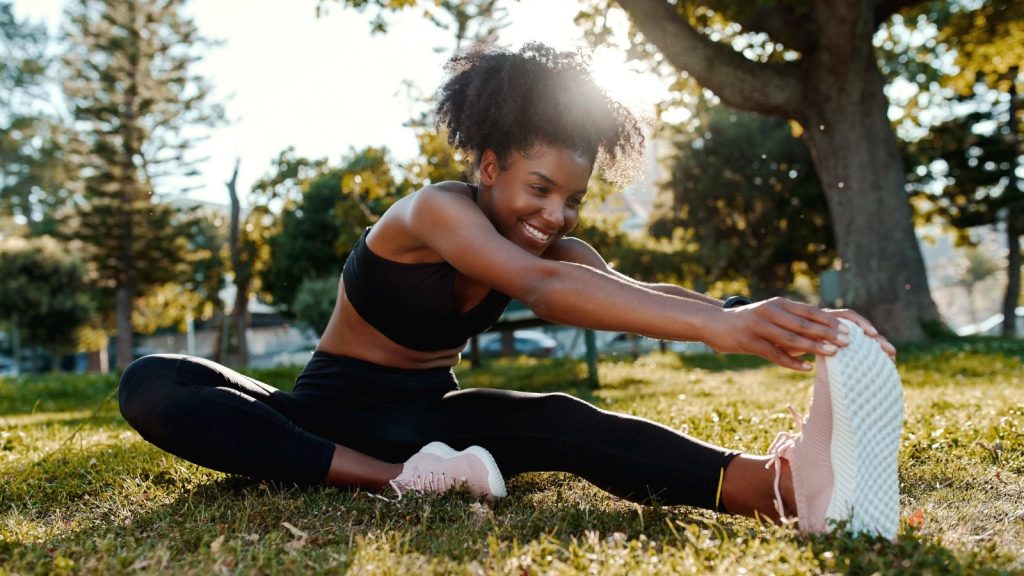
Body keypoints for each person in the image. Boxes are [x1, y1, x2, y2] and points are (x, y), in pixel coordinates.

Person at [119, 43, 904, 536]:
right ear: (488, 165)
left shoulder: (560, 245)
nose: (552, 214)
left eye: (570, 198)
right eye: (538, 187)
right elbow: (537, 286)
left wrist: (765, 316)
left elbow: (633, 289)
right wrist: (720, 333)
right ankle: (400, 483)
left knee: (566, 420)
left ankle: (781, 488)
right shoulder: (435, 211)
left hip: (437, 424)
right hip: (323, 418)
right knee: (153, 381)